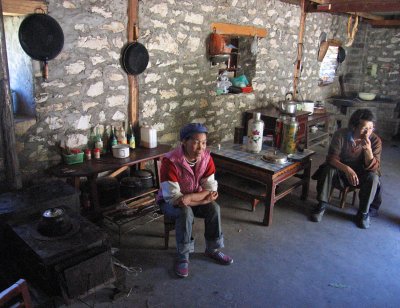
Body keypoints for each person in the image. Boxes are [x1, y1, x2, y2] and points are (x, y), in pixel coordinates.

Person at [157, 123, 233, 278]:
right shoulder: (170, 161)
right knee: (185, 212)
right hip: (169, 202)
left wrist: (192, 198)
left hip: (192, 197)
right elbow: (175, 198)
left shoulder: (206, 159)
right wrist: (201, 200)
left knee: (214, 208)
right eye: (196, 142)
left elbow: (210, 189)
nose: (201, 148)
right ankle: (183, 257)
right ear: (184, 142)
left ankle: (213, 249)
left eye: (204, 142)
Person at [311, 108, 382, 229]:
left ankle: (363, 213)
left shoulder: (375, 140)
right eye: (364, 128)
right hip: (341, 169)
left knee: (373, 177)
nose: (367, 132)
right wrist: (347, 169)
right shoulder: (341, 134)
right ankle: (321, 205)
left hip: (361, 173)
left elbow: (374, 166)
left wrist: (368, 151)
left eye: (371, 128)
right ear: (354, 126)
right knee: (328, 169)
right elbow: (331, 158)